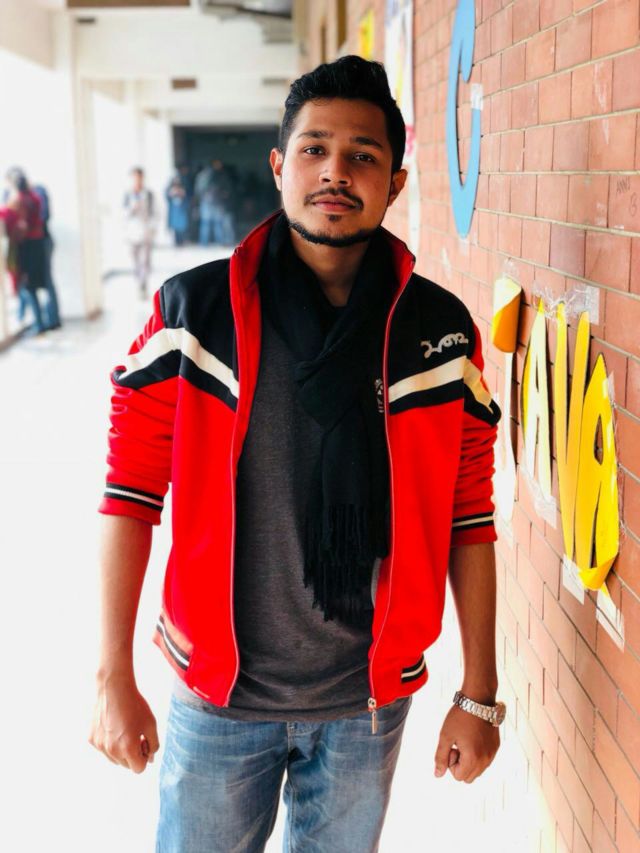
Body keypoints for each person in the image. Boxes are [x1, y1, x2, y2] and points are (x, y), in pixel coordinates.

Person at [90, 56, 505, 852]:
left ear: (396, 182)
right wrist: (113, 674)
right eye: (315, 149)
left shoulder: (438, 334)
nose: (336, 171)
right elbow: (129, 495)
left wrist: (478, 693)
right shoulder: (194, 313)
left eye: (363, 155)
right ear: (280, 165)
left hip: (366, 706)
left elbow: (470, 515)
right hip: (218, 698)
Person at [0, 167, 47, 335]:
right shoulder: (34, 197)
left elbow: (6, 214)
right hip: (36, 244)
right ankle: (27, 318)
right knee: (29, 285)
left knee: (27, 285)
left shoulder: (18, 201)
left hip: (26, 247)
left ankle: (37, 323)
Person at [31, 181, 62, 330]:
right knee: (43, 282)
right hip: (41, 242)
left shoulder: (36, 193)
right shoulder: (38, 193)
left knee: (38, 283)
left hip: (40, 243)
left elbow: (44, 217)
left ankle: (48, 320)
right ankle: (49, 319)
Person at [123, 167, 155, 298]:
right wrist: (132, 208)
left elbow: (155, 212)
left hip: (145, 231)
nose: (137, 180)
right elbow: (122, 213)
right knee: (135, 260)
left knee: (145, 260)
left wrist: (153, 228)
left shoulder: (149, 194)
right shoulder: (127, 195)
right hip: (131, 232)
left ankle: (143, 284)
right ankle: (138, 282)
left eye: (139, 177)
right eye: (135, 177)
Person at [195, 158, 235, 246]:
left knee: (208, 223)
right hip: (213, 201)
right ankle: (217, 242)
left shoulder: (202, 175)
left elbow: (198, 190)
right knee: (214, 222)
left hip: (209, 201)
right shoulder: (213, 174)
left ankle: (205, 243)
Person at [165, 173, 189, 246]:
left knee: (182, 229)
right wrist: (171, 194)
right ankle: (176, 242)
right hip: (174, 213)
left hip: (181, 212)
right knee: (175, 230)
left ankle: (182, 241)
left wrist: (182, 194)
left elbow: (187, 199)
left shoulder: (183, 189)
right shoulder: (170, 189)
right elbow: (167, 197)